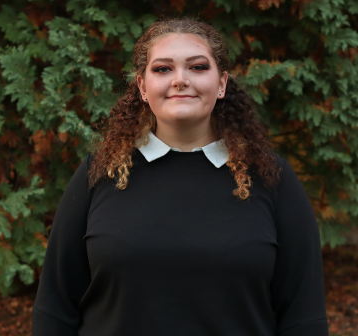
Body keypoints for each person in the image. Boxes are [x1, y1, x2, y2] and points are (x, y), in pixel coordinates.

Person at [31, 17, 329, 336]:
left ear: (222, 83)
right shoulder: (100, 172)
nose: (180, 80)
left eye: (198, 67)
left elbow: (304, 317)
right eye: (162, 69)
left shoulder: (272, 177)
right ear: (143, 87)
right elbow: (55, 309)